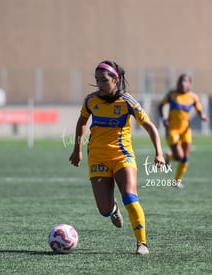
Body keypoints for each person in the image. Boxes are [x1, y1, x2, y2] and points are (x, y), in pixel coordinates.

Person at [69, 60, 165, 255]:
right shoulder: (91, 101)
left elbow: (150, 126)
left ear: (116, 79)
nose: (99, 84)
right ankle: (113, 210)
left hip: (123, 156)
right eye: (97, 80)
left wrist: (159, 152)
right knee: (104, 209)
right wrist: (77, 149)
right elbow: (81, 122)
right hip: (97, 158)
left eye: (103, 80)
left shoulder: (127, 101)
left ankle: (142, 243)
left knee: (130, 196)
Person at [158, 73, 209, 188]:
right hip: (172, 130)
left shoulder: (193, 97)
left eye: (185, 81)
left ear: (189, 83)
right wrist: (163, 119)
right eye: (181, 81)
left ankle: (177, 181)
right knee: (180, 157)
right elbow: (160, 106)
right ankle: (169, 157)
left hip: (186, 130)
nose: (182, 83)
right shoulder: (172, 95)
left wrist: (203, 116)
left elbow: (199, 109)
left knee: (185, 157)